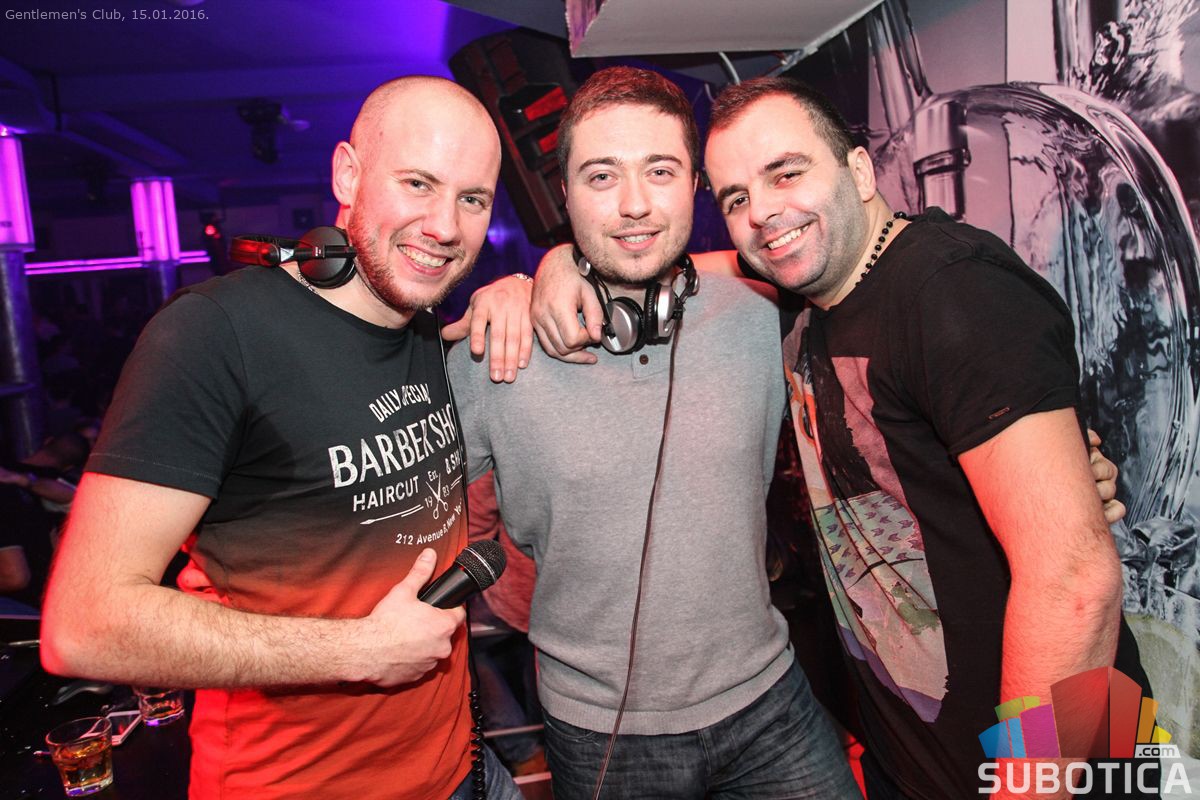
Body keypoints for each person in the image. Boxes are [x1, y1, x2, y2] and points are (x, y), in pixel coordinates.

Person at [520, 76, 1149, 799]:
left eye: (786, 173)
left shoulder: (955, 290)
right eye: (736, 198)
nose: (764, 212)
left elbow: (1076, 582)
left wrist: (1027, 784)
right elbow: (664, 271)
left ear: (859, 170)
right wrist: (555, 268)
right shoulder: (803, 292)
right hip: (917, 755)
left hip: (1059, 762)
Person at [40, 76, 521, 800]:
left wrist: (525, 284)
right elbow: (85, 623)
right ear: (347, 175)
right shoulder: (214, 336)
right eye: (418, 183)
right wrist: (357, 650)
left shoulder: (426, 329)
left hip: (463, 773)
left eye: (472, 199)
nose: (445, 226)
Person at [446, 66, 862, 800]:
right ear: (564, 194)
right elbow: (387, 519)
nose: (634, 204)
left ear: (695, 187)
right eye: (602, 176)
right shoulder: (495, 351)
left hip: (770, 704)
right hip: (600, 733)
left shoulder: (761, 315)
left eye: (660, 171)